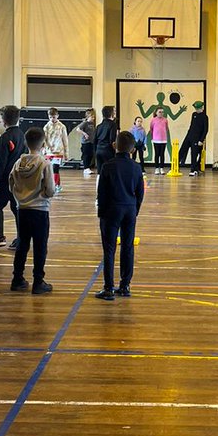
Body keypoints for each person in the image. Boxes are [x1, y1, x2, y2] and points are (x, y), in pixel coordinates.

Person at [95, 130, 145, 301]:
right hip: (129, 209)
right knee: (127, 247)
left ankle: (108, 287)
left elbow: (101, 193)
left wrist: (101, 213)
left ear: (114, 146)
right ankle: (125, 285)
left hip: (111, 210)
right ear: (132, 150)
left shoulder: (107, 166)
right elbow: (140, 192)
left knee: (109, 249)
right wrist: (135, 210)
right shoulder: (137, 167)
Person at [9, 126, 55, 295]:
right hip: (40, 210)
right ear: (43, 144)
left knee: (22, 245)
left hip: (22, 209)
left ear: (25, 143)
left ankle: (17, 279)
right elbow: (50, 189)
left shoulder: (18, 163)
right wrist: (44, 195)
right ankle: (38, 281)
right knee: (40, 246)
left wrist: (19, 197)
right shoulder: (44, 163)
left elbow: (11, 184)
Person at [0, 104, 24, 250]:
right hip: (19, 179)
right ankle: (21, 238)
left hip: (5, 179)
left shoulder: (5, 137)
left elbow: (1, 162)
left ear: (3, 120)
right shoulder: (22, 134)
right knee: (16, 208)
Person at [42, 107, 68, 194]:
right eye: (50, 117)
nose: (52, 119)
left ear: (57, 116)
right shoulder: (46, 127)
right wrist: (45, 148)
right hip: (49, 151)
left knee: (55, 169)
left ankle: (56, 185)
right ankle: (50, 185)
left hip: (58, 151)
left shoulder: (62, 127)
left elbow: (65, 140)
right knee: (49, 169)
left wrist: (66, 153)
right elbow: (44, 139)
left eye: (54, 117)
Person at [179, 101, 208, 175]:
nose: (197, 110)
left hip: (197, 138)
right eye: (196, 108)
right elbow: (192, 125)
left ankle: (193, 169)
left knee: (194, 154)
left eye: (198, 108)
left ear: (202, 108)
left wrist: (201, 140)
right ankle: (175, 166)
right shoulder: (194, 114)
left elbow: (205, 129)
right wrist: (188, 135)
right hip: (189, 136)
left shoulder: (204, 117)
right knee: (182, 150)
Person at [94, 105, 118, 176]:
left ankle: (99, 186)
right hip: (108, 151)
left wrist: (95, 151)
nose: (115, 113)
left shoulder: (99, 126)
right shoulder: (113, 125)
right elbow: (112, 140)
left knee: (100, 172)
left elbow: (94, 140)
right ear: (111, 113)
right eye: (114, 111)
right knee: (110, 172)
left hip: (98, 150)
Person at [74, 108, 96, 176]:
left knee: (90, 155)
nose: (93, 118)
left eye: (93, 117)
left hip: (91, 142)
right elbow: (78, 129)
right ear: (88, 117)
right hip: (86, 142)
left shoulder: (92, 124)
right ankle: (86, 168)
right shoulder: (85, 123)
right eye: (92, 117)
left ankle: (88, 167)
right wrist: (85, 134)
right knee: (86, 155)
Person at [149, 107, 169, 175]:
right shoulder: (153, 120)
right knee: (157, 154)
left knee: (162, 154)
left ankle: (162, 168)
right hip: (156, 140)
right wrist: (153, 137)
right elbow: (151, 129)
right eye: (160, 112)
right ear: (156, 112)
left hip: (163, 140)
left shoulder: (165, 120)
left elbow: (166, 128)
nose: (161, 113)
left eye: (162, 112)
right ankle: (157, 168)